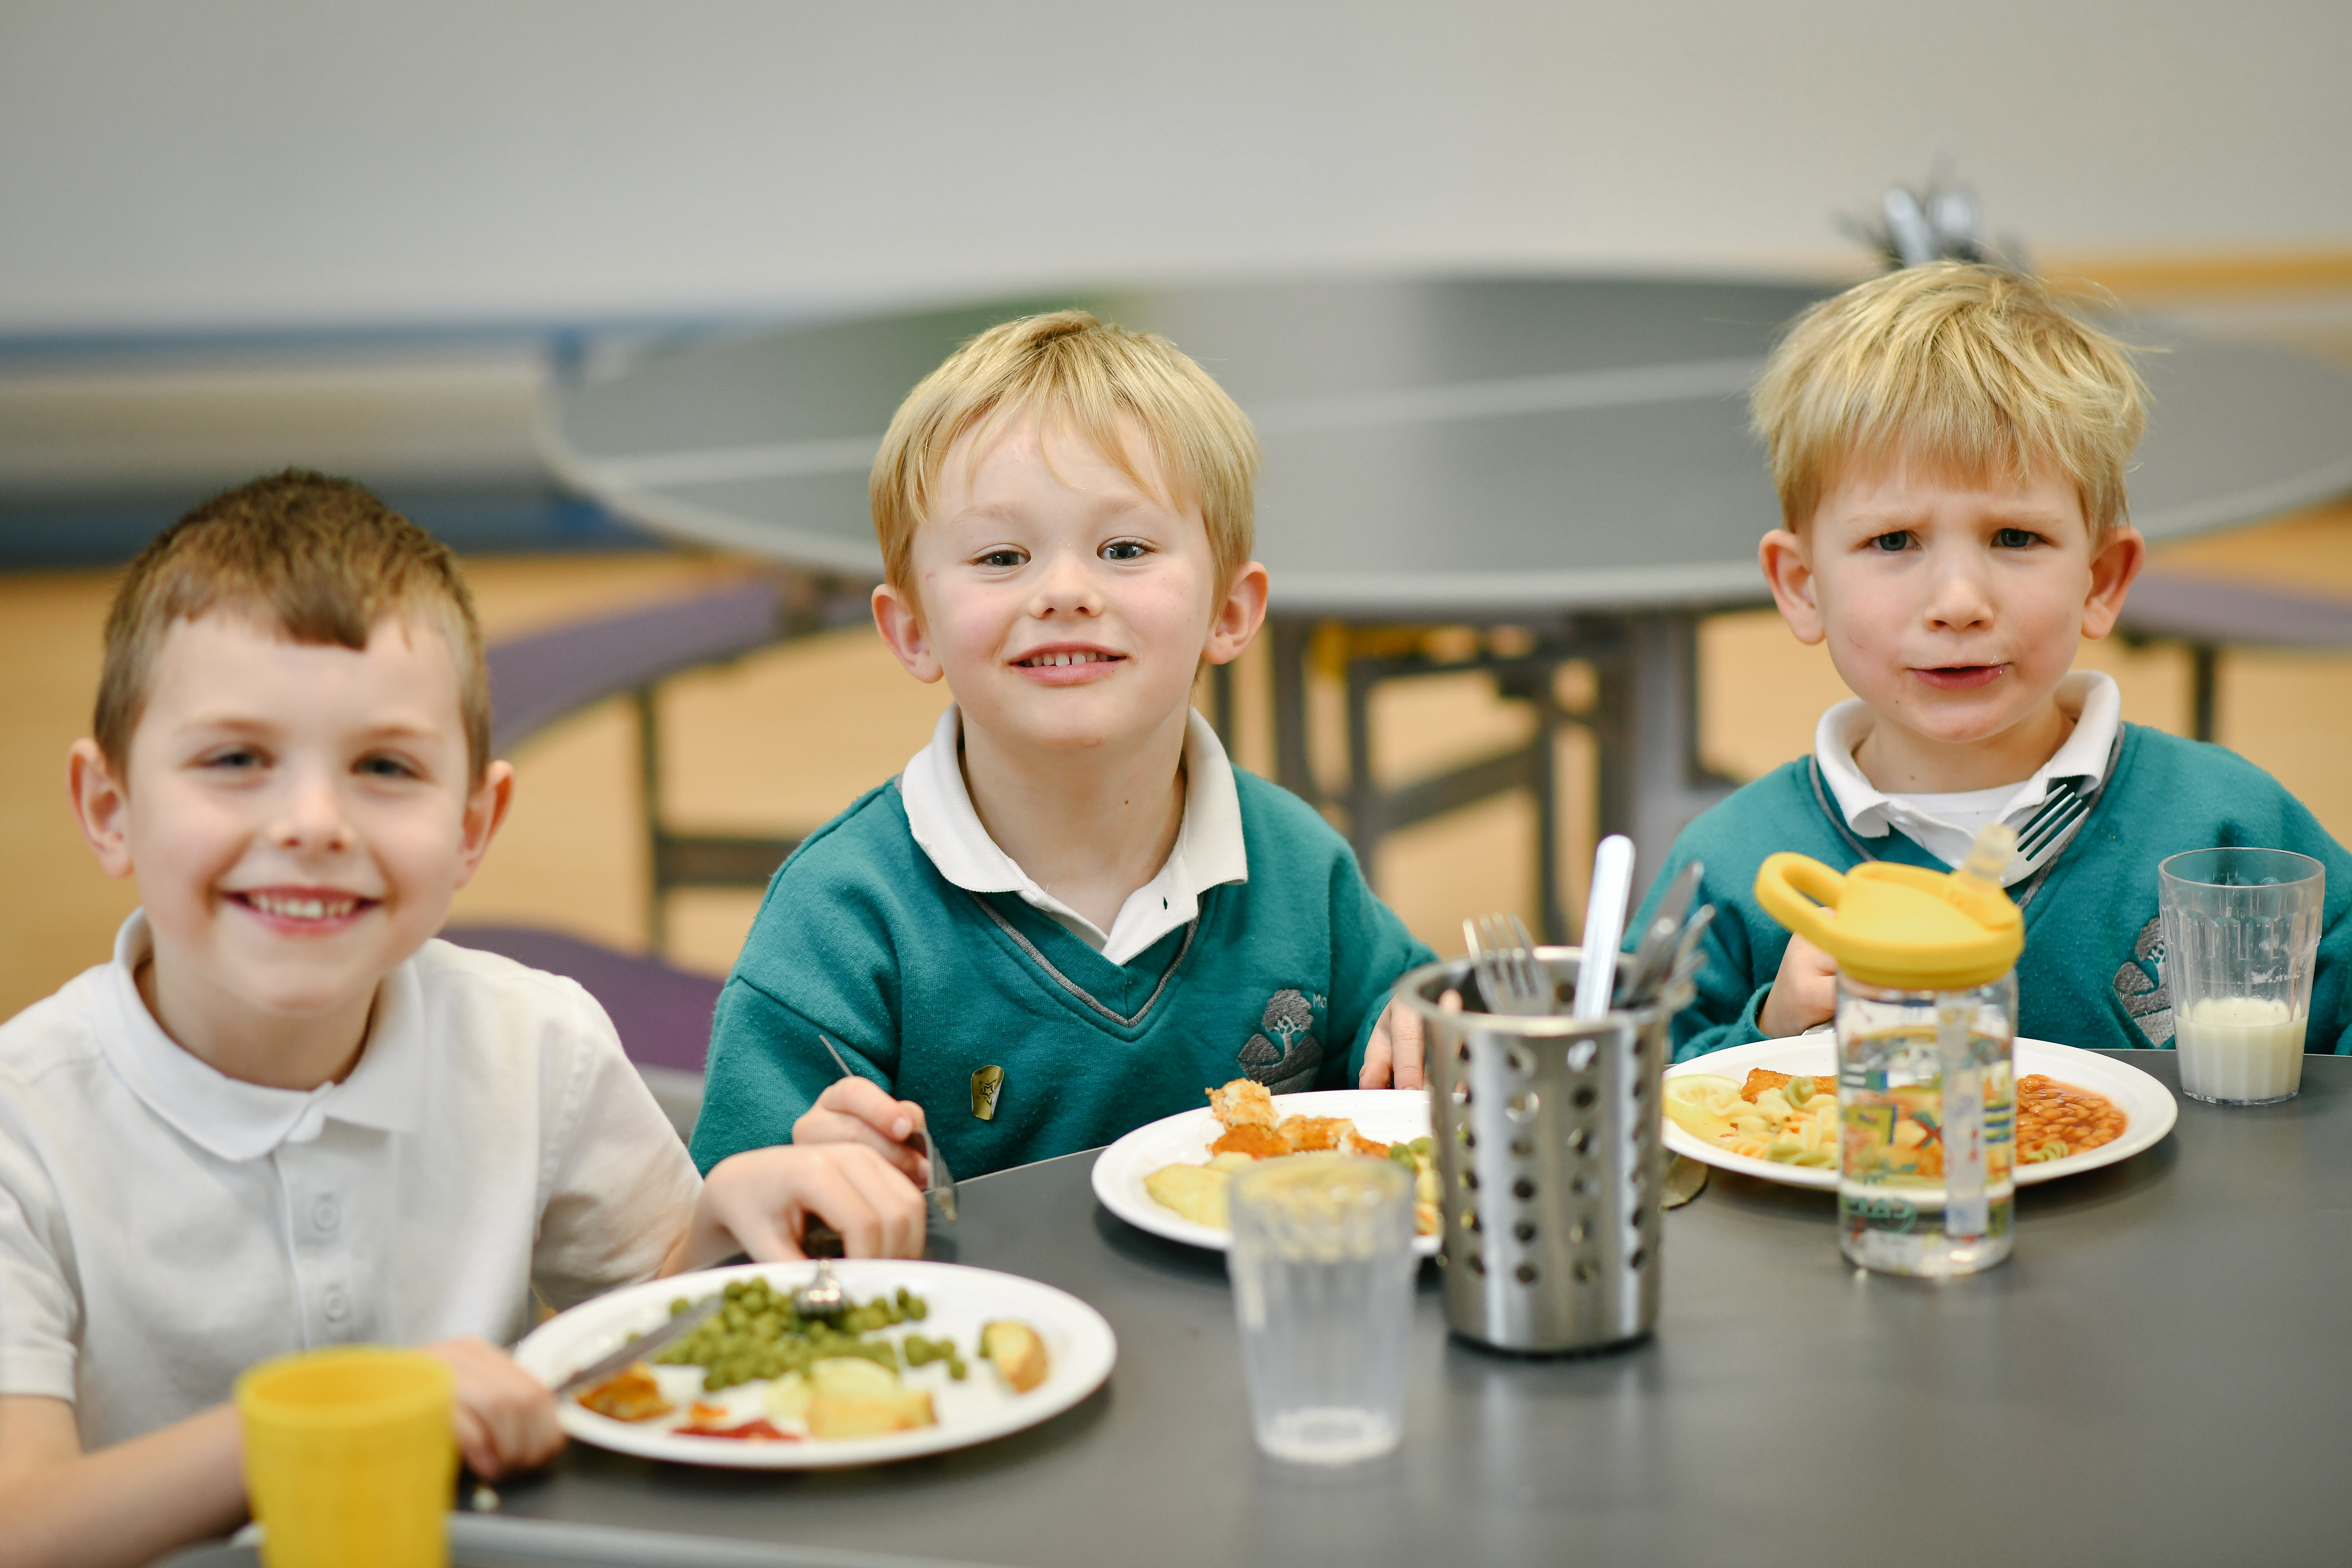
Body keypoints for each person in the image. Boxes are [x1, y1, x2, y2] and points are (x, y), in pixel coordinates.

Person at [0, 473, 927, 1568]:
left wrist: (728, 1225)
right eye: (236, 760)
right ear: (109, 809)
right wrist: (354, 1415)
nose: (312, 823)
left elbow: (653, 1346)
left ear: (473, 826)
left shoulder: (536, 1044)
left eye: (384, 767)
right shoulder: (24, 1127)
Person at [690, 312, 1437, 1184]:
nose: (1065, 591)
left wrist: (1424, 1018)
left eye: (1124, 548)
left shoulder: (1299, 867)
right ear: (913, 631)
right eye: (1001, 556)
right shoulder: (839, 923)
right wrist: (798, 1188)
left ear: (1229, 613)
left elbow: (1405, 1026)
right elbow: (737, 1225)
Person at [1635, 262, 2352, 1060]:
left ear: (2100, 580)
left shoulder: (2230, 827)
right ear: (1803, 587)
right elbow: (1625, 1087)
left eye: (2015, 538)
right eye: (1892, 541)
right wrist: (1770, 1031)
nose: (1958, 601)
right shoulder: (1729, 867)